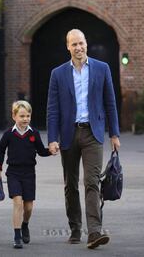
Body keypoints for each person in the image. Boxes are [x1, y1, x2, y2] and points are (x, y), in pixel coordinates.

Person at [46, 29, 121, 249]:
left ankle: (94, 232)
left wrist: (114, 133)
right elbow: (52, 110)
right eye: (74, 44)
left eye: (81, 43)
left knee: (92, 181)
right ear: (67, 47)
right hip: (68, 134)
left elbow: (110, 102)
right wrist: (52, 138)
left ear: (86, 44)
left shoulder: (102, 68)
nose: (78, 48)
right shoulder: (57, 74)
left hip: (93, 133)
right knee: (71, 185)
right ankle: (76, 228)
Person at [0, 100, 51, 249]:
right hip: (13, 173)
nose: (25, 119)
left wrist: (51, 151)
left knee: (29, 207)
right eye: (22, 116)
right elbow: (0, 151)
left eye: (28, 116)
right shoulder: (8, 134)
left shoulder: (34, 133)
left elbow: (41, 151)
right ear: (14, 116)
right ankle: (17, 235)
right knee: (17, 202)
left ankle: (25, 224)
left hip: (29, 173)